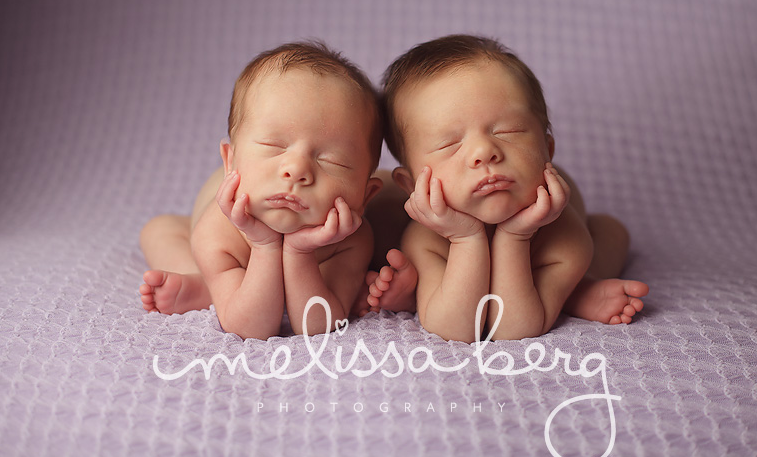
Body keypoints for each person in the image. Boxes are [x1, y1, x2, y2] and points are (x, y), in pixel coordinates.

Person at [367, 35, 649, 342]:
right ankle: (561, 294)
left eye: (508, 132)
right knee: (383, 212)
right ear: (412, 185)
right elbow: (456, 329)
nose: (484, 152)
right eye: (449, 144)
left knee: (611, 232)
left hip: (564, 232)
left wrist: (516, 235)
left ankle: (573, 288)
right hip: (417, 215)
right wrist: (465, 238)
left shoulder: (564, 236)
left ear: (547, 150)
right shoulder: (425, 241)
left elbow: (512, 328)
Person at [139, 42, 384, 339]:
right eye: (273, 146)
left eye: (332, 161)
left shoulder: (350, 241)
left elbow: (316, 325)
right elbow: (251, 329)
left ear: (365, 195)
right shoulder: (218, 229)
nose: (296, 170)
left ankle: (224, 288)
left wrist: (299, 252)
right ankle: (206, 281)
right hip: (214, 232)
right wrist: (264, 245)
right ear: (231, 161)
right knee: (158, 231)